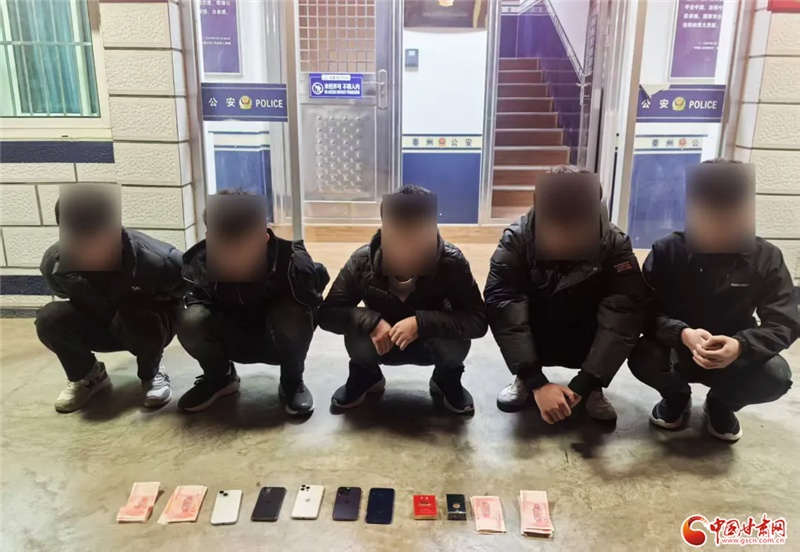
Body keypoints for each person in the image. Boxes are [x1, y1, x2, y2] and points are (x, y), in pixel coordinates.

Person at [628, 160, 797, 442]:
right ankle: (677, 398)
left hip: (735, 352)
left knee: (776, 376)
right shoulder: (668, 250)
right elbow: (642, 310)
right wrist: (682, 333)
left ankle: (721, 404)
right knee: (641, 356)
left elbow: (785, 321)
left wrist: (741, 345)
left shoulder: (766, 257)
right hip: (679, 346)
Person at [485, 167, 647, 423]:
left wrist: (585, 383)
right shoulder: (518, 240)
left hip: (586, 332)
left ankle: (594, 386)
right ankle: (524, 378)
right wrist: (536, 381)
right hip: (539, 330)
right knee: (510, 312)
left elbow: (624, 312)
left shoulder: (614, 244)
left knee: (622, 317)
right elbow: (503, 304)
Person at [319, 185, 487, 414]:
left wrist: (421, 323)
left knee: (455, 343)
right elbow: (328, 313)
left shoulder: (451, 261)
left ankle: (446, 379)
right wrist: (372, 322)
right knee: (356, 331)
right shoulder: (362, 261)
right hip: (381, 340)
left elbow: (477, 320)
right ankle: (366, 375)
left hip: (430, 341)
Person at [176, 190, 329, 416]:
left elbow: (313, 308)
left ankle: (292, 380)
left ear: (264, 236)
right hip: (231, 334)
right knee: (189, 318)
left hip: (275, 338)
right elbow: (197, 308)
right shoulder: (198, 264)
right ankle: (220, 378)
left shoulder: (293, 263)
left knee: (296, 312)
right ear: (210, 238)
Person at [36, 185, 184, 413]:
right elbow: (65, 295)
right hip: (99, 320)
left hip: (147, 325)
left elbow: (181, 295)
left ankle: (152, 373)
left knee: (137, 313)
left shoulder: (160, 259)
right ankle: (88, 375)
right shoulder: (54, 263)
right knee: (50, 317)